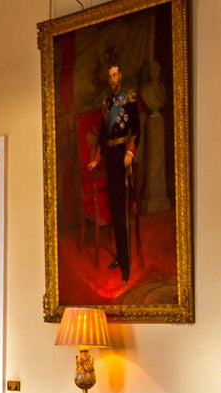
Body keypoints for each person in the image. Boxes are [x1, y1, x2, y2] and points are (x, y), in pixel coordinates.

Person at [88, 61, 139, 283]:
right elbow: (103, 134)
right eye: (110, 76)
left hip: (123, 158)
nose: (112, 79)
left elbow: (136, 129)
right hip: (110, 158)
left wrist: (130, 151)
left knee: (123, 212)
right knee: (115, 210)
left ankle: (126, 265)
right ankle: (120, 256)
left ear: (121, 76)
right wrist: (96, 158)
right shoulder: (106, 103)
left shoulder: (129, 98)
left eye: (115, 75)